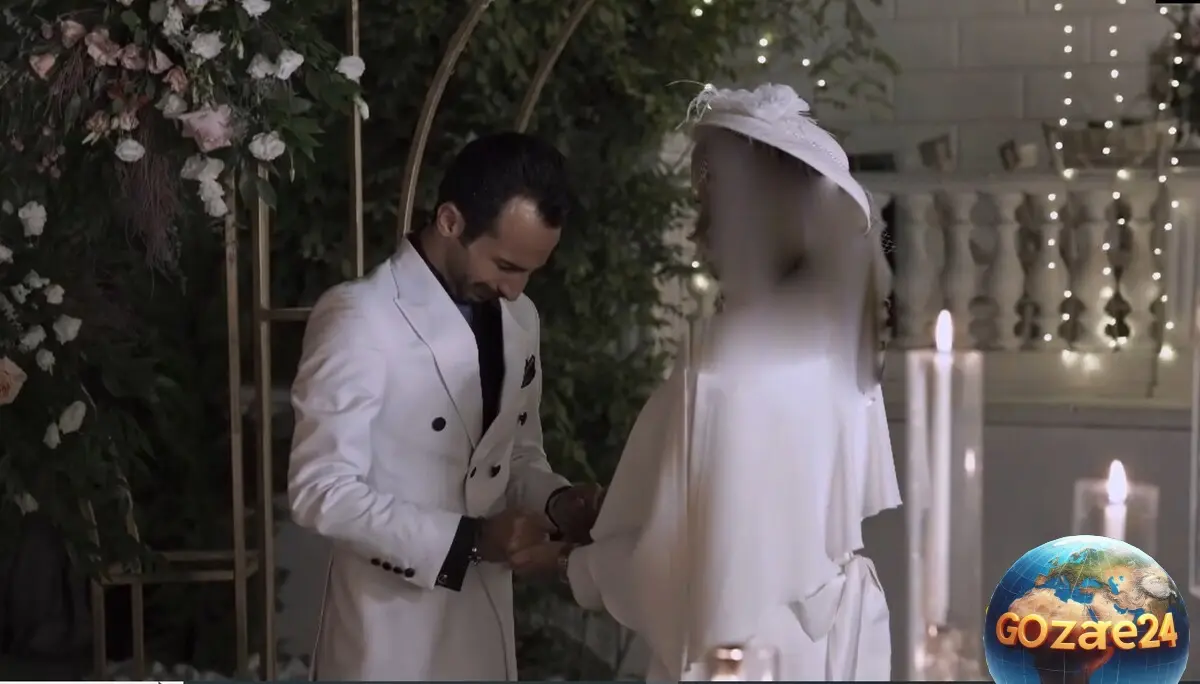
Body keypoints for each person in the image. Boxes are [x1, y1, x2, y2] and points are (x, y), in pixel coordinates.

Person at [512, 84, 902, 681]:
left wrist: (571, 565)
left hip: (741, 649)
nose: (700, 227)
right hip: (809, 643)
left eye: (710, 198)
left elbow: (690, 566)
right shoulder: (833, 340)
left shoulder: (736, 362)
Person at [288, 131, 602, 681]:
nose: (515, 288)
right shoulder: (361, 315)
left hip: (484, 623)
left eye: (531, 270)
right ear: (451, 221)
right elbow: (321, 491)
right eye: (505, 264)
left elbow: (514, 455)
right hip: (391, 632)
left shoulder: (521, 318)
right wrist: (470, 541)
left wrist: (557, 501)